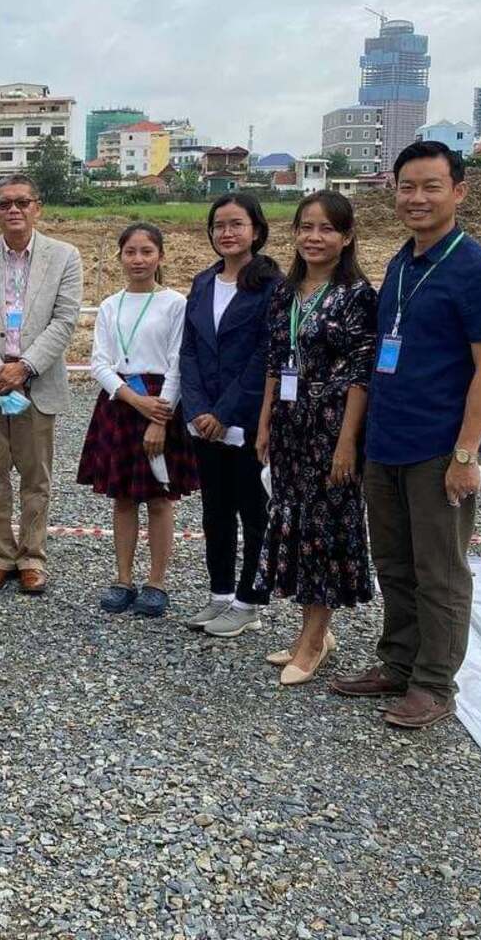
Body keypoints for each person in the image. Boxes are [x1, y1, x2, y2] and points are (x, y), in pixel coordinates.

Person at [331, 141, 481, 729]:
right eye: (407, 186)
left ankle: (435, 685)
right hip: (387, 442)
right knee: (394, 561)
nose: (417, 198)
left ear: (457, 192)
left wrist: (466, 453)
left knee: (440, 569)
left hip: (440, 448)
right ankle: (399, 661)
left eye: (431, 186)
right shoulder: (403, 262)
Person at [253, 191, 378, 685]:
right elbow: (275, 361)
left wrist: (347, 443)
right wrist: (265, 422)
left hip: (330, 429)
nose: (314, 237)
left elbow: (360, 375)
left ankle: (313, 641)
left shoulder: (356, 296)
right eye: (306, 227)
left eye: (327, 228)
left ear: (346, 237)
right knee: (297, 526)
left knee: (324, 530)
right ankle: (312, 631)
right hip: (288, 426)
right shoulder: (287, 292)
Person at [0, 174, 84, 595]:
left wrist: (24, 367)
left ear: (37, 207)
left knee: (36, 477)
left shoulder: (65, 257)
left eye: (22, 202)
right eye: (5, 203)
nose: (14, 210)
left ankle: (31, 557)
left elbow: (65, 321)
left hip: (37, 383)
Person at [77, 222, 196, 618]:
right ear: (120, 256)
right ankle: (123, 578)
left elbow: (180, 362)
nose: (139, 259)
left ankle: (157, 581)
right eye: (131, 251)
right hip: (120, 403)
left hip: (163, 404)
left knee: (160, 499)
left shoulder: (176, 303)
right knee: (123, 498)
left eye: (147, 251)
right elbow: (99, 363)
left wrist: (159, 414)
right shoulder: (110, 305)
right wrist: (132, 400)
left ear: (160, 256)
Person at [179, 192, 282, 638]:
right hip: (205, 424)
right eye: (219, 225)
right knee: (214, 512)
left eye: (237, 224)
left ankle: (249, 601)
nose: (227, 233)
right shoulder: (202, 283)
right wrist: (199, 408)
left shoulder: (271, 285)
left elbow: (264, 356)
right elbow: (189, 351)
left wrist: (223, 412)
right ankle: (220, 593)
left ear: (255, 230)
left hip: (246, 420)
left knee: (252, 511)